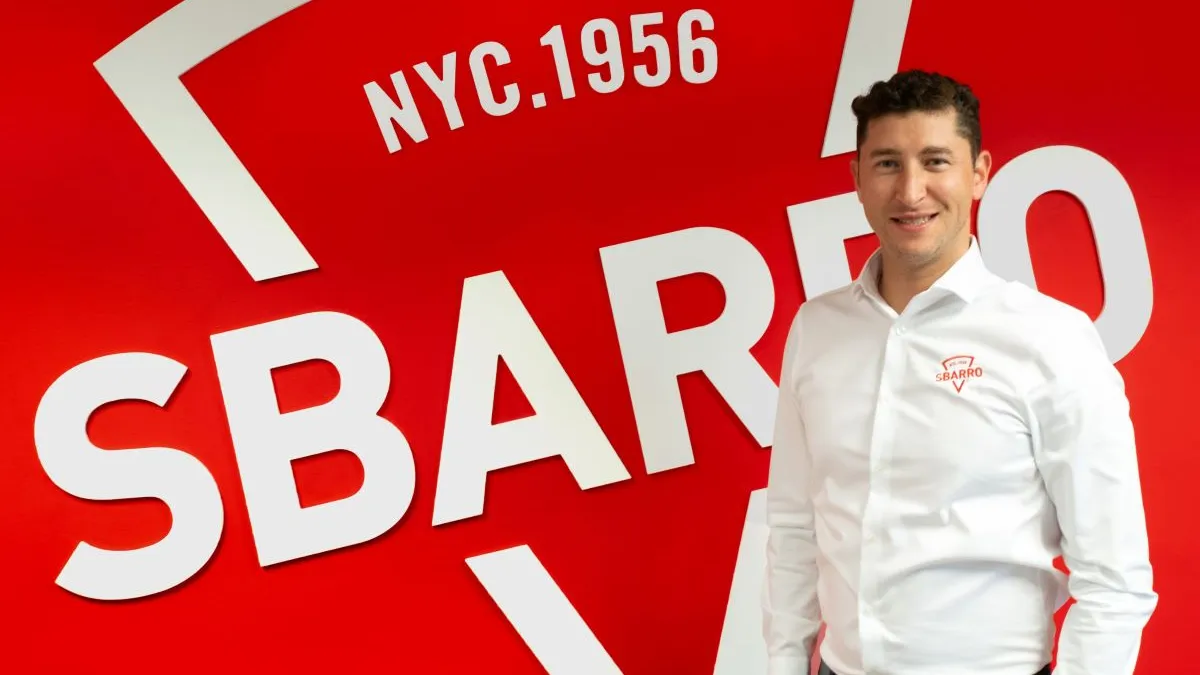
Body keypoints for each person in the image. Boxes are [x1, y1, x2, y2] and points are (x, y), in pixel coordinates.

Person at [761, 69, 1158, 675]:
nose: (911, 191)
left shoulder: (1051, 338)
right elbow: (794, 524)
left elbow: (1115, 577)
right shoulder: (817, 330)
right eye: (888, 163)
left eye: (936, 161)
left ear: (979, 174)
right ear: (858, 180)